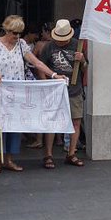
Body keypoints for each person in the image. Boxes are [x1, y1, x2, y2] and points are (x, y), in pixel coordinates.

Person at [0, 15, 62, 174]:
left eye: (19, 33)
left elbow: (36, 62)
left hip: (17, 92)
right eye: (14, 33)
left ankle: (9, 159)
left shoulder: (22, 45)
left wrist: (53, 75)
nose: (16, 36)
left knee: (15, 125)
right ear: (6, 30)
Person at [36, 19, 88, 168]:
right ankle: (48, 155)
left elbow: (85, 69)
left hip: (74, 89)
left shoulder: (77, 45)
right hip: (55, 90)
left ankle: (71, 153)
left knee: (75, 121)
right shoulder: (48, 47)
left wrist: (82, 60)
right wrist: (45, 81)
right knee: (52, 123)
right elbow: (41, 66)